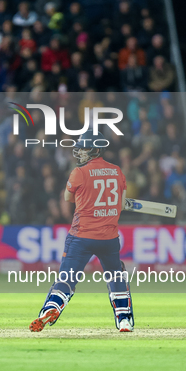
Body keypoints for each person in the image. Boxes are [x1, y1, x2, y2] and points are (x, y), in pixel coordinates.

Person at [29, 130, 134, 333]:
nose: (80, 152)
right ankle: (124, 320)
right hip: (109, 238)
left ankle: (51, 308)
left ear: (95, 150)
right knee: (116, 276)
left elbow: (68, 198)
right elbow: (120, 205)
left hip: (81, 236)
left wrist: (88, 197)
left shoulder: (79, 172)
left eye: (84, 148)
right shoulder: (117, 171)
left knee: (67, 278)